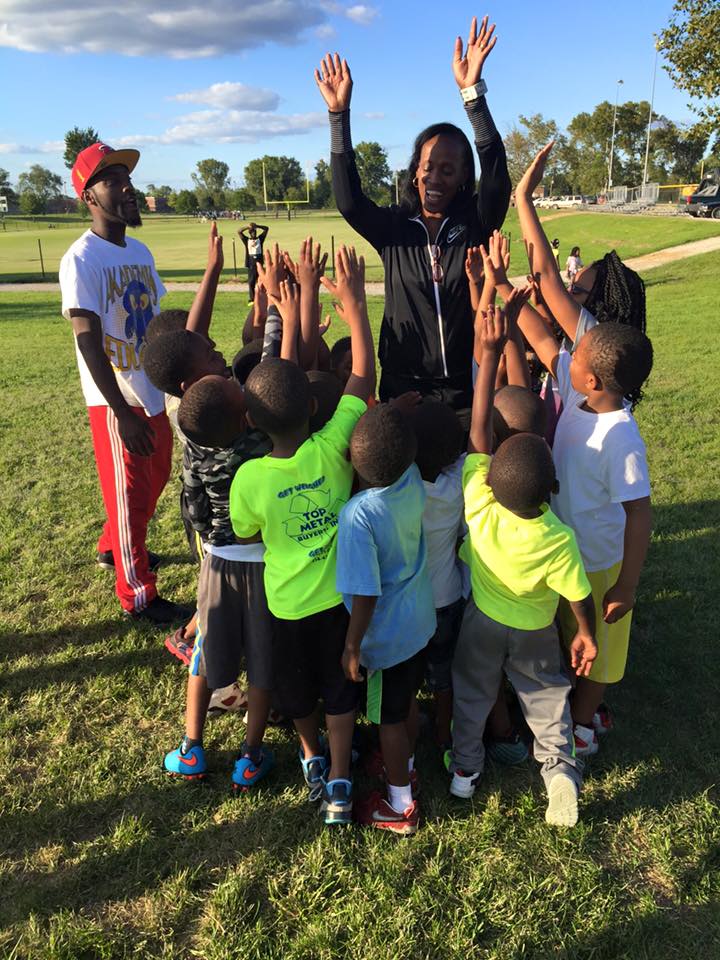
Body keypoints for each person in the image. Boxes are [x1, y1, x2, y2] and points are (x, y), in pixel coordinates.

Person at [486, 156, 654, 755]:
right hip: (567, 554)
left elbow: (640, 513)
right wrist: (502, 292)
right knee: (571, 638)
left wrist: (628, 585)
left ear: (592, 377)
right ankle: (573, 707)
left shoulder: (622, 436)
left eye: (573, 353)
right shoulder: (581, 392)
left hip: (603, 564)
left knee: (603, 656)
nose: (561, 354)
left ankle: (583, 726)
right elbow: (538, 334)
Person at [229, 246, 375, 827]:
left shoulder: (250, 479)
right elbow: (363, 375)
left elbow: (246, 530)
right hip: (339, 604)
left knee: (296, 696)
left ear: (251, 423)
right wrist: (356, 306)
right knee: (341, 691)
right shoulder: (334, 444)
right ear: (315, 406)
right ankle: (340, 776)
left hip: (284, 608)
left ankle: (311, 755)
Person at [315, 15, 511, 421]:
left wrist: (472, 95)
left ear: (462, 178)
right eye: (427, 166)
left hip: (465, 386)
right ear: (414, 170)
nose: (434, 177)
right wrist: (339, 116)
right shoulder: (395, 230)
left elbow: (495, 173)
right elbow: (350, 202)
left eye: (447, 169)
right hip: (404, 389)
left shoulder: (475, 222)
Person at [450, 300, 597, 828]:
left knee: (472, 692)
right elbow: (578, 594)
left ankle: (464, 773)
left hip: (482, 623)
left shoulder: (479, 503)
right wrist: (584, 632)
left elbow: (478, 438)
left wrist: (487, 355)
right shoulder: (557, 534)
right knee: (547, 697)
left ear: (491, 475)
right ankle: (558, 771)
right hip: (536, 629)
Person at [59, 142, 189, 624]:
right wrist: (119, 410)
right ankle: (137, 592)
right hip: (117, 400)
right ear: (89, 196)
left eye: (127, 179)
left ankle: (113, 545)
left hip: (151, 390)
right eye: (113, 181)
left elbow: (155, 325)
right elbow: (88, 342)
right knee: (129, 492)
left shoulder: (139, 250)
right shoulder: (81, 259)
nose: (128, 188)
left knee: (152, 481)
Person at [163, 374, 275, 790]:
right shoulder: (261, 443)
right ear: (246, 416)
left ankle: (191, 747)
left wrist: (211, 539)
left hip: (217, 565)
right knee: (263, 665)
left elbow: (193, 508)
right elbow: (270, 357)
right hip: (264, 567)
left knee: (205, 654)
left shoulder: (195, 449)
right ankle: (250, 757)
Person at [337, 404, 436, 836]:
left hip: (387, 637)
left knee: (388, 720)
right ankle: (408, 764)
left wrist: (353, 645)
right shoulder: (411, 473)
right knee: (405, 700)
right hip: (419, 621)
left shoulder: (358, 515)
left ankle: (400, 805)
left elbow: (365, 591)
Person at [408, 399, 467, 751]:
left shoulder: (401, 489)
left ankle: (411, 731)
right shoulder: (458, 485)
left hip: (409, 605)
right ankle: (446, 733)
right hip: (446, 599)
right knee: (444, 675)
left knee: (409, 675)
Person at [238, 222, 269, 304]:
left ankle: (264, 297)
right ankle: (252, 299)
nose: (253, 233)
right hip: (251, 261)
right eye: (252, 232)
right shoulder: (247, 240)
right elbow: (239, 232)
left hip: (259, 261)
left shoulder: (260, 239)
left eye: (254, 232)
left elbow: (266, 228)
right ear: (249, 233)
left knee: (261, 279)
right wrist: (247, 227)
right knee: (251, 281)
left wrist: (257, 226)